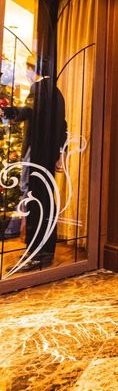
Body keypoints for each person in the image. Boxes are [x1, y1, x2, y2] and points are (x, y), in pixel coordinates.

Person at [2, 54, 67, 272]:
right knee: (46, 200)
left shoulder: (38, 89)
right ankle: (45, 250)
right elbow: (63, 126)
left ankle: (35, 252)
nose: (26, 74)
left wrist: (9, 111)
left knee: (33, 198)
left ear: (33, 69)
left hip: (36, 155)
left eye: (27, 69)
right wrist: (60, 154)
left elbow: (28, 111)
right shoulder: (57, 93)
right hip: (48, 157)